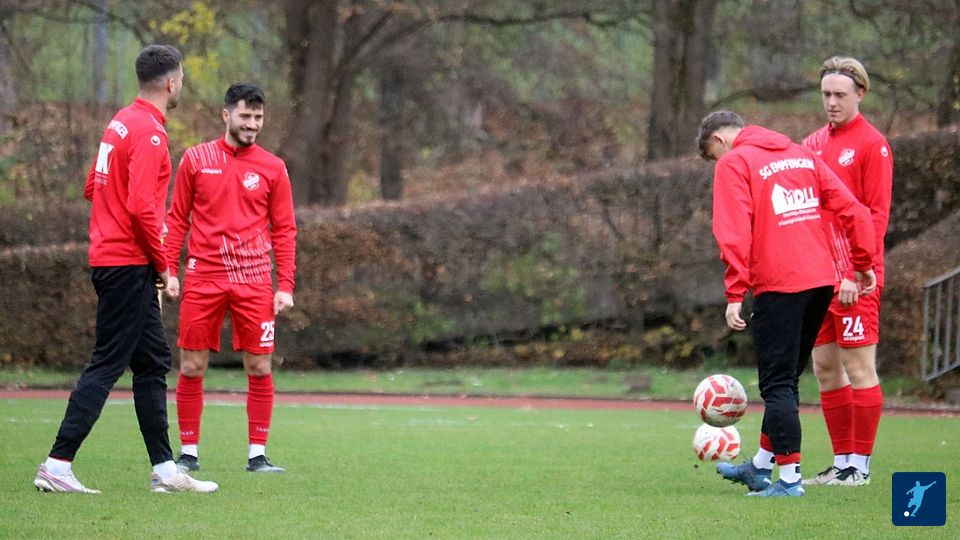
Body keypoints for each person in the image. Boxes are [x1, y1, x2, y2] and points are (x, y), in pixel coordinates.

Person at [33, 45, 218, 494]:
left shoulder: (120, 121)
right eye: (182, 80)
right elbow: (141, 207)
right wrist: (164, 266)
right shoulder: (150, 132)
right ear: (171, 83)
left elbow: (92, 187)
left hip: (114, 258)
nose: (181, 86)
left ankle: (165, 470)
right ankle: (57, 463)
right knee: (107, 362)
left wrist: (115, 222)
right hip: (127, 263)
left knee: (152, 361)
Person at [697, 111, 877, 497]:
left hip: (780, 284)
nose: (717, 163)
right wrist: (863, 263)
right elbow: (853, 210)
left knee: (776, 384)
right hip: (821, 282)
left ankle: (790, 479)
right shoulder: (800, 153)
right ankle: (761, 467)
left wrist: (735, 293)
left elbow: (732, 230)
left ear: (719, 141)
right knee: (787, 379)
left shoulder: (734, 162)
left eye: (713, 156)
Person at [163, 82, 297, 473]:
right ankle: (188, 454)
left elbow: (284, 229)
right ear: (226, 115)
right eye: (245, 116)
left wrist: (285, 285)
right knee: (191, 366)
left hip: (254, 280)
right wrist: (168, 270)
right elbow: (177, 219)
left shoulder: (273, 167)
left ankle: (258, 456)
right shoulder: (195, 159)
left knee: (260, 367)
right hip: (203, 276)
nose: (252, 124)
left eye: (258, 117)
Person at [801, 56, 893, 488]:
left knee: (859, 367)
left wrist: (860, 271)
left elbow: (876, 214)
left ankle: (861, 466)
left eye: (839, 94)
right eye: (826, 94)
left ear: (860, 94)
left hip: (857, 276)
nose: (831, 102)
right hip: (821, 275)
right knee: (824, 367)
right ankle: (841, 463)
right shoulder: (812, 143)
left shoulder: (873, 144)